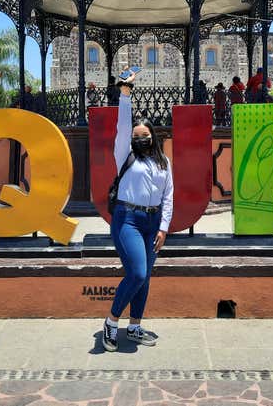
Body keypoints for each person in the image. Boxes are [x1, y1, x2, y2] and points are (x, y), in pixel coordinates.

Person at [102, 69, 173, 352]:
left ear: (153, 137)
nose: (140, 138)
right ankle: (111, 321)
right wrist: (125, 94)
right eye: (136, 135)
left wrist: (164, 227)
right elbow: (122, 126)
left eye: (144, 135)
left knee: (145, 278)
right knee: (138, 273)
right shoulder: (125, 153)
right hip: (127, 219)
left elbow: (169, 196)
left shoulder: (164, 162)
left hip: (153, 222)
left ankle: (134, 326)